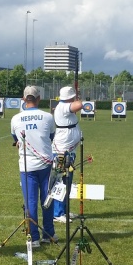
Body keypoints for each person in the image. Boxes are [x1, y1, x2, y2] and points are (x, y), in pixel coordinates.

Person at [10, 86, 56, 248]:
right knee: (47, 201)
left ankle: (34, 238)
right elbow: (51, 137)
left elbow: (15, 139)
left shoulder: (15, 119)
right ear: (38, 99)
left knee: (30, 203)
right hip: (45, 166)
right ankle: (49, 234)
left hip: (27, 166)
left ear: (24, 99)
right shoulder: (48, 117)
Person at [52, 86, 82, 223]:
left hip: (68, 149)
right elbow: (79, 105)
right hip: (62, 149)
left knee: (67, 180)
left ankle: (64, 210)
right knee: (62, 180)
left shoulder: (64, 106)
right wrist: (78, 97)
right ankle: (58, 213)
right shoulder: (63, 106)